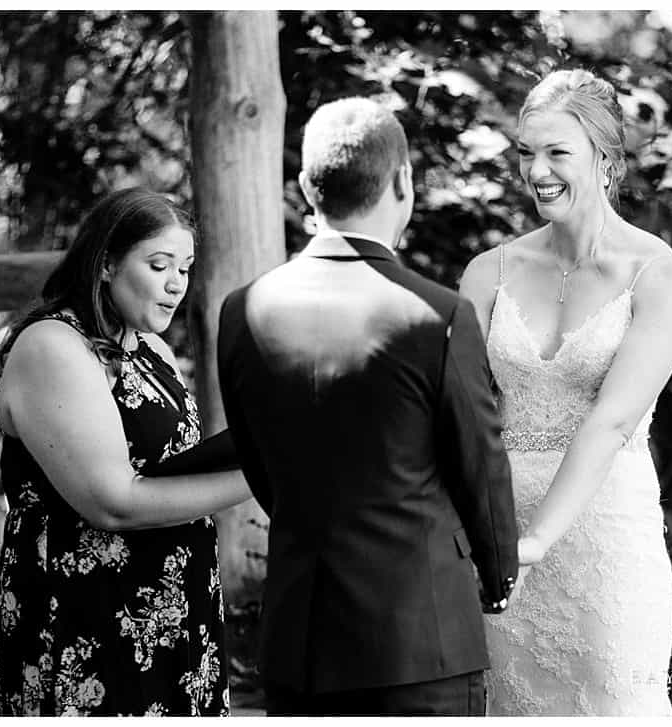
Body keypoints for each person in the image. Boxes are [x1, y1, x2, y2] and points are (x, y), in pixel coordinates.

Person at [217, 97, 519, 716]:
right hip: (421, 643)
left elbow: (259, 467)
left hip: (298, 642)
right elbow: (480, 469)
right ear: (404, 179)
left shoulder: (243, 310)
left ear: (306, 188)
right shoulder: (437, 315)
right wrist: (497, 576)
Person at [459, 68, 672, 715]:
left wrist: (535, 540)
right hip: (498, 546)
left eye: (556, 152)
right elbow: (457, 413)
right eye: (524, 153)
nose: (536, 171)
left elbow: (613, 420)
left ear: (604, 157)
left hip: (604, 545)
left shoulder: (663, 276)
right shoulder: (488, 272)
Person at [0, 188, 251, 716]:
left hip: (178, 607)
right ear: (107, 263)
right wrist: (266, 474)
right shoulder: (51, 345)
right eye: (159, 265)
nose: (177, 284)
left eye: (187, 268)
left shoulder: (152, 350)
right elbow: (112, 501)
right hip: (88, 616)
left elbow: (175, 470)